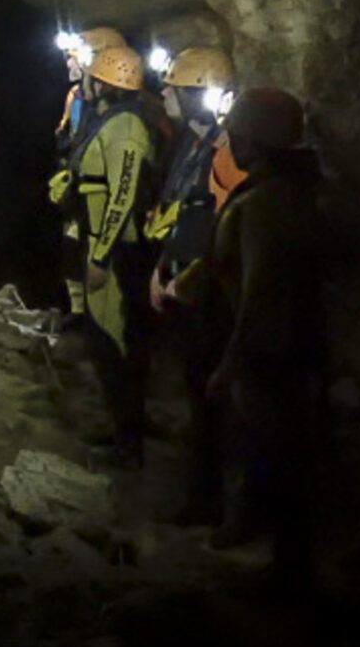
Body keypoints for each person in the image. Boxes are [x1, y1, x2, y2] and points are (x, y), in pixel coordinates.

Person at [166, 87, 326, 597]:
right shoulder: (278, 194)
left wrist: (231, 361)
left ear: (255, 140)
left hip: (269, 350)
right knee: (265, 449)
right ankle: (261, 537)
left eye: (236, 134)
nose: (230, 142)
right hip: (276, 344)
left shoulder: (268, 204)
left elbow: (260, 288)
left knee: (277, 455)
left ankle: (289, 572)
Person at [142, 46, 237, 523]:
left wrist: (189, 281)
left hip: (211, 298)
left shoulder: (227, 153)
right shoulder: (191, 144)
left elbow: (228, 233)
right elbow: (179, 211)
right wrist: (161, 268)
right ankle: (198, 489)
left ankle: (211, 501)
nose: (163, 92)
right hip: (181, 284)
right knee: (194, 392)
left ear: (199, 94)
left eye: (173, 87)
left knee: (211, 403)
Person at [69, 44, 158, 470]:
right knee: (103, 342)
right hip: (100, 238)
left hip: (119, 250)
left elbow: (122, 194)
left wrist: (100, 257)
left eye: (92, 71)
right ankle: (121, 430)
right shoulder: (112, 120)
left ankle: (130, 445)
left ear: (104, 80)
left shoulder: (127, 128)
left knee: (118, 344)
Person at [50, 26, 128, 332]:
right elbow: (67, 136)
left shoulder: (125, 113)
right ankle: (78, 314)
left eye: (77, 57)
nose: (70, 64)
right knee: (71, 254)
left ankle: (101, 331)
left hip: (106, 200)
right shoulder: (77, 97)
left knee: (100, 266)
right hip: (79, 191)